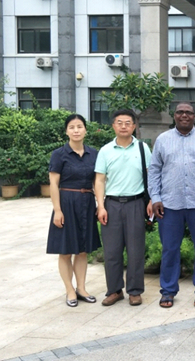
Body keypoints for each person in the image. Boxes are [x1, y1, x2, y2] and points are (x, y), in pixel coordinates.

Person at [149, 102, 195, 308]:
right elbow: (154, 170)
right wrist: (155, 198)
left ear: (194, 116)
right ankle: (168, 291)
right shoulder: (163, 140)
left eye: (188, 112)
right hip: (169, 204)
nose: (184, 115)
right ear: (174, 115)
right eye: (180, 112)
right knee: (170, 249)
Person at [94, 109, 152, 307]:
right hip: (111, 205)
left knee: (135, 251)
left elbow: (151, 175)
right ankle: (114, 290)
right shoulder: (105, 151)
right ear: (113, 126)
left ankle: (135, 291)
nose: (124, 126)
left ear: (134, 126)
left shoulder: (143, 148)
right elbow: (99, 180)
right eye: (120, 122)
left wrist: (151, 200)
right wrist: (101, 206)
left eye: (128, 123)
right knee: (111, 251)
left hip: (136, 204)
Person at [46, 114, 101, 307]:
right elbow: (53, 183)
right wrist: (57, 210)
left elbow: (98, 181)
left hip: (87, 203)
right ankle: (69, 290)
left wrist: (100, 204)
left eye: (79, 126)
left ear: (85, 129)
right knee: (65, 251)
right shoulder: (59, 154)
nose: (76, 130)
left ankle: (82, 288)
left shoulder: (94, 154)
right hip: (66, 203)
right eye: (72, 127)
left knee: (83, 250)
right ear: (66, 131)